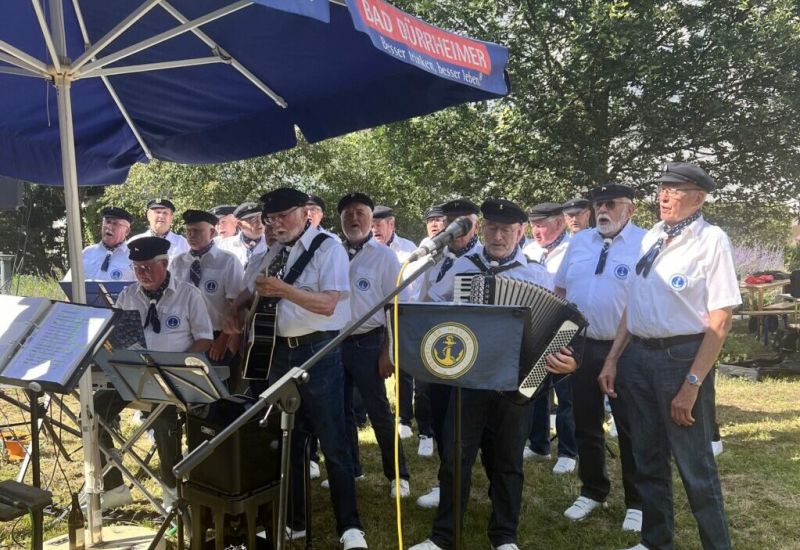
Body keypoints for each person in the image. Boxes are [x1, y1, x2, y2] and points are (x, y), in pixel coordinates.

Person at [410, 199, 578, 550]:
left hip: (516, 381)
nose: (498, 236)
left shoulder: (536, 274)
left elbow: (557, 328)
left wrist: (565, 359)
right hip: (468, 380)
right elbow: (435, 308)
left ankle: (504, 536)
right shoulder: (464, 267)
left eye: (506, 230)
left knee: (508, 461)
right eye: (492, 228)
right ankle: (444, 536)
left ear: (520, 232)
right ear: (482, 229)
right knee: (455, 457)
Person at [599, 162, 738, 550]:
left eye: (674, 190)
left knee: (695, 467)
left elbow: (721, 319)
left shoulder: (711, 240)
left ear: (699, 197)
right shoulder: (653, 236)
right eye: (662, 188)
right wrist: (613, 359)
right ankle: (655, 541)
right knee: (647, 460)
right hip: (639, 358)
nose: (663, 196)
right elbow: (633, 305)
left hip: (681, 360)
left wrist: (692, 384)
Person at [226, 187, 368, 549]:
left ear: (305, 213)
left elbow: (328, 304)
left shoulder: (328, 247)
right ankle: (295, 520)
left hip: (318, 351)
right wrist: (238, 307)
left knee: (333, 439)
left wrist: (283, 290)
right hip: (278, 353)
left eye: (283, 216)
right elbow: (255, 290)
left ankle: (350, 526)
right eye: (271, 218)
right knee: (287, 438)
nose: (276, 224)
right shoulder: (275, 250)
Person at [94, 237, 212, 510]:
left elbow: (205, 339)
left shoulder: (188, 294)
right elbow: (117, 338)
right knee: (92, 413)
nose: (141, 273)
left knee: (163, 419)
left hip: (173, 377)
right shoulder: (128, 295)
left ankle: (171, 489)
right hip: (134, 374)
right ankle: (113, 485)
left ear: (165, 264)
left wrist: (177, 365)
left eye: (147, 267)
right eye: (137, 268)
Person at [553, 184, 645, 531]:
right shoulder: (579, 242)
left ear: (630, 209)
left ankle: (637, 501)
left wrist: (617, 354)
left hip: (626, 347)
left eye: (610, 204)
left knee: (630, 427)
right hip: (581, 345)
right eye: (598, 205)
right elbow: (560, 289)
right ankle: (593, 490)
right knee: (585, 421)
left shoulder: (645, 242)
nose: (602, 210)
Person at [332, 192, 411, 498]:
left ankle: (398, 475)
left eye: (360, 213)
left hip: (369, 343)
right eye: (348, 214)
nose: (354, 219)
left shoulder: (385, 256)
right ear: (341, 220)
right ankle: (353, 469)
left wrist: (389, 351)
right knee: (341, 411)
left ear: (371, 218)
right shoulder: (332, 252)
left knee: (379, 412)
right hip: (335, 344)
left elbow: (395, 307)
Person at [414, 198, 482, 510]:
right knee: (441, 418)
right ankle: (447, 483)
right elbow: (423, 298)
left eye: (464, 222)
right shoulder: (435, 256)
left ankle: (488, 486)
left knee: (472, 428)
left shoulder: (484, 259)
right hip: (438, 352)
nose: (457, 228)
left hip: (471, 355)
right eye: (451, 220)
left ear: (476, 226)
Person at [523, 202, 578, 474]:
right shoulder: (528, 250)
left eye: (541, 225)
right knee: (536, 388)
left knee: (565, 393)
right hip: (537, 329)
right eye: (533, 225)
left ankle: (568, 451)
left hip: (564, 330)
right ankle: (539, 445)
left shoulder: (574, 249)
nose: (536, 230)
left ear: (559, 223)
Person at [171, 209, 244, 363]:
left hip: (215, 338)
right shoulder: (178, 262)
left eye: (197, 231)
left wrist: (224, 338)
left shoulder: (228, 261)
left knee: (214, 378)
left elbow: (236, 306)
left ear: (211, 232)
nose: (191, 235)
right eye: (188, 231)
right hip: (183, 336)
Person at [371, 204, 417, 439]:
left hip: (401, 313)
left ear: (391, 224)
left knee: (402, 366)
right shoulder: (365, 249)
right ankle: (365, 414)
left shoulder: (409, 249)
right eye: (371, 225)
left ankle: (403, 417)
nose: (374, 229)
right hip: (372, 317)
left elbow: (414, 286)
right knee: (371, 365)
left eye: (378, 224)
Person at [64, 205, 135, 282]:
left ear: (127, 231)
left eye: (115, 223)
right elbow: (68, 282)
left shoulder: (133, 257)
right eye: (107, 222)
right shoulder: (87, 253)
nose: (109, 227)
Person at [128, 198, 189, 264]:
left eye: (165, 213)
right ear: (148, 216)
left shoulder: (183, 244)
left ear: (171, 218)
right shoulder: (134, 242)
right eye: (158, 212)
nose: (161, 216)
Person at [217, 201, 268, 268]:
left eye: (261, 217)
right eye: (252, 219)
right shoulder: (225, 246)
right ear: (239, 224)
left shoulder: (273, 244)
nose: (259, 222)